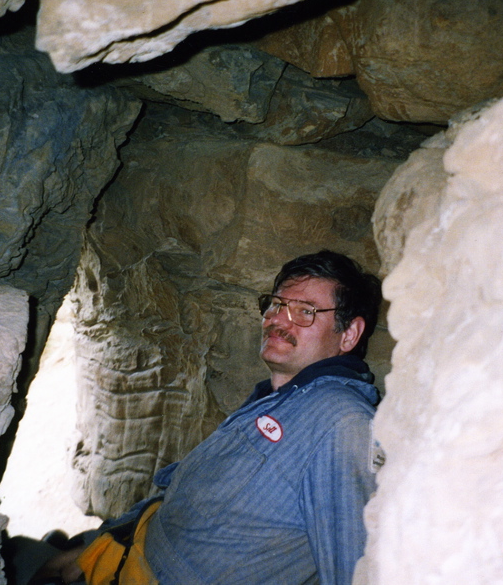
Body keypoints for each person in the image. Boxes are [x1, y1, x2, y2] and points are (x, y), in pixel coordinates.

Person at [29, 250, 383, 585]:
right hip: (128, 554)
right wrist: (102, 541)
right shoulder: (279, 399)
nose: (277, 319)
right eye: (276, 304)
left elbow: (354, 568)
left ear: (348, 334)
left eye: (305, 311)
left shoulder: (342, 424)